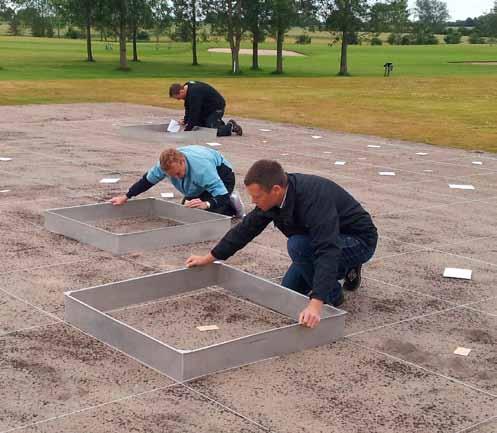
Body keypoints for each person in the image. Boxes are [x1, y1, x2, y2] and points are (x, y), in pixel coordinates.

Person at [186, 160, 378, 328]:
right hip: (320, 239)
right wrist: (209, 258)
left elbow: (327, 249)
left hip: (358, 240)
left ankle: (334, 294)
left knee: (298, 246)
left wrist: (316, 303)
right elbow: (245, 230)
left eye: (257, 196)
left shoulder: (313, 198)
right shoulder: (273, 200)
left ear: (276, 190)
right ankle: (340, 272)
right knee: (289, 290)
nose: (253, 201)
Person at [110, 145, 245, 217]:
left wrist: (207, 204)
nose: (178, 177)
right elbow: (146, 181)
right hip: (197, 182)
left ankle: (231, 203)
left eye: (178, 173)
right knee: (187, 212)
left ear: (182, 161)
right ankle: (211, 201)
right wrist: (126, 196)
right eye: (172, 176)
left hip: (223, 175)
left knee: (209, 215)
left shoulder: (202, 168)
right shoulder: (162, 166)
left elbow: (220, 194)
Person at [169, 81, 243, 137]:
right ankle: (217, 123)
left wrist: (187, 130)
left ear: (181, 91)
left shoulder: (194, 93)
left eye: (178, 97)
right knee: (199, 127)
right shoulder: (187, 88)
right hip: (206, 108)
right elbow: (188, 106)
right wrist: (185, 120)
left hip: (216, 107)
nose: (178, 99)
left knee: (211, 132)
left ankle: (231, 126)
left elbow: (195, 112)